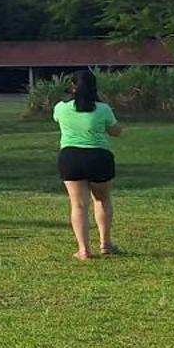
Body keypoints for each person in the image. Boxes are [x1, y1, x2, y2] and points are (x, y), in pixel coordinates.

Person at [54, 69, 122, 261]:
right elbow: (115, 131)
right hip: (99, 157)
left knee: (78, 205)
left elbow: (58, 120)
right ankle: (105, 244)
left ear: (72, 87)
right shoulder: (103, 109)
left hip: (70, 158)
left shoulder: (61, 108)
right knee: (102, 199)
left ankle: (83, 250)